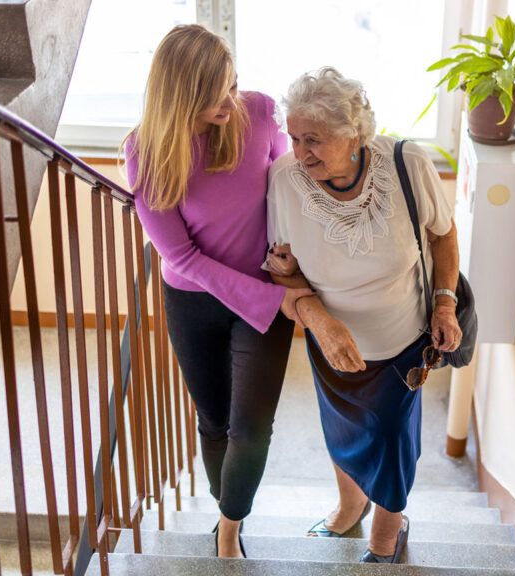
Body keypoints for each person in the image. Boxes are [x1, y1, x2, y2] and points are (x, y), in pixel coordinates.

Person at [123, 24, 311, 559]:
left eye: (233, 84)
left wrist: (288, 255)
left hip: (264, 292)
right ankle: (227, 508)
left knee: (251, 427)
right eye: (216, 95)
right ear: (181, 95)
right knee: (214, 422)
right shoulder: (146, 153)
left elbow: (289, 185)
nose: (231, 100)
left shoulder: (258, 112)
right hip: (195, 301)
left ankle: (229, 529)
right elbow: (181, 257)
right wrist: (275, 301)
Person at [263, 67, 462, 563]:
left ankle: (386, 533)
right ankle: (350, 505)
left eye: (315, 139)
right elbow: (281, 268)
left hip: (404, 342)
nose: (300, 151)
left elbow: (443, 235)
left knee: (392, 438)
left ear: (354, 134)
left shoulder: (406, 163)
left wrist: (444, 301)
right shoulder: (284, 180)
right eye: (293, 137)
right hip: (330, 341)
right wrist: (314, 314)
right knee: (343, 430)